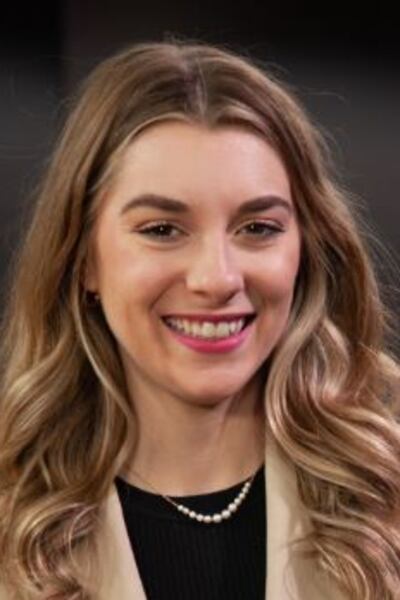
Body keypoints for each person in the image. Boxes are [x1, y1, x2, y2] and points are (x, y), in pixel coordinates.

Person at [0, 39, 399, 600]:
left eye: (258, 228)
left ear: (305, 250)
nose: (217, 278)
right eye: (162, 230)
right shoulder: (10, 514)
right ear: (84, 259)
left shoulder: (387, 484)